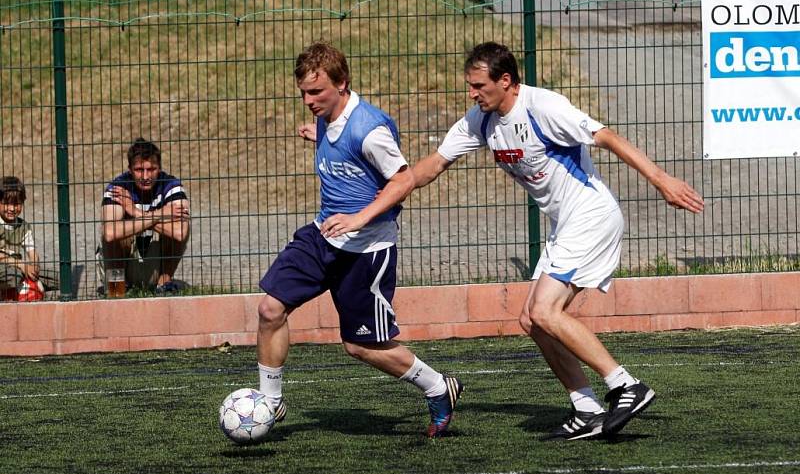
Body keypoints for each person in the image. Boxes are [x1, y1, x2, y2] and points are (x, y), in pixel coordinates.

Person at [412, 42, 704, 440]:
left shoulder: (543, 107)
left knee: (546, 312)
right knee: (532, 320)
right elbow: (432, 166)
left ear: (506, 80)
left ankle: (625, 385)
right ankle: (586, 408)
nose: (472, 93)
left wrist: (662, 181)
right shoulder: (481, 121)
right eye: (470, 85)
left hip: (590, 216)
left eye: (478, 85)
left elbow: (607, 136)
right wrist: (384, 189)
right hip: (565, 226)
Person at [256, 42, 462, 439]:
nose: (308, 100)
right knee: (270, 309)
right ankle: (270, 401)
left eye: (317, 92)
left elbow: (403, 179)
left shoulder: (370, 130)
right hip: (322, 237)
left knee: (361, 348)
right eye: (303, 92)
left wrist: (359, 218)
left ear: (343, 84)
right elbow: (337, 144)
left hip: (366, 252)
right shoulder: (326, 120)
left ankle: (438, 386)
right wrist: (316, 134)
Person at [98, 138, 190, 295]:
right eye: (140, 170)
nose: (146, 176)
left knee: (174, 231)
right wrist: (160, 214)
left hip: (154, 261)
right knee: (117, 234)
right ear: (130, 169)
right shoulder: (118, 188)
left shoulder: (171, 185)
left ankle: (164, 285)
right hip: (123, 263)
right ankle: (117, 289)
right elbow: (109, 233)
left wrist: (136, 213)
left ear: (159, 168)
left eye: (151, 169)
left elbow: (180, 232)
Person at [0, 176, 58, 301]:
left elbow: (32, 251)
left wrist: (34, 266)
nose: (11, 208)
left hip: (19, 268)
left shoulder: (23, 226)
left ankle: (27, 286)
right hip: (6, 268)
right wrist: (22, 266)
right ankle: (10, 294)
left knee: (60, 278)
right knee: (12, 277)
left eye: (16, 204)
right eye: (6, 203)